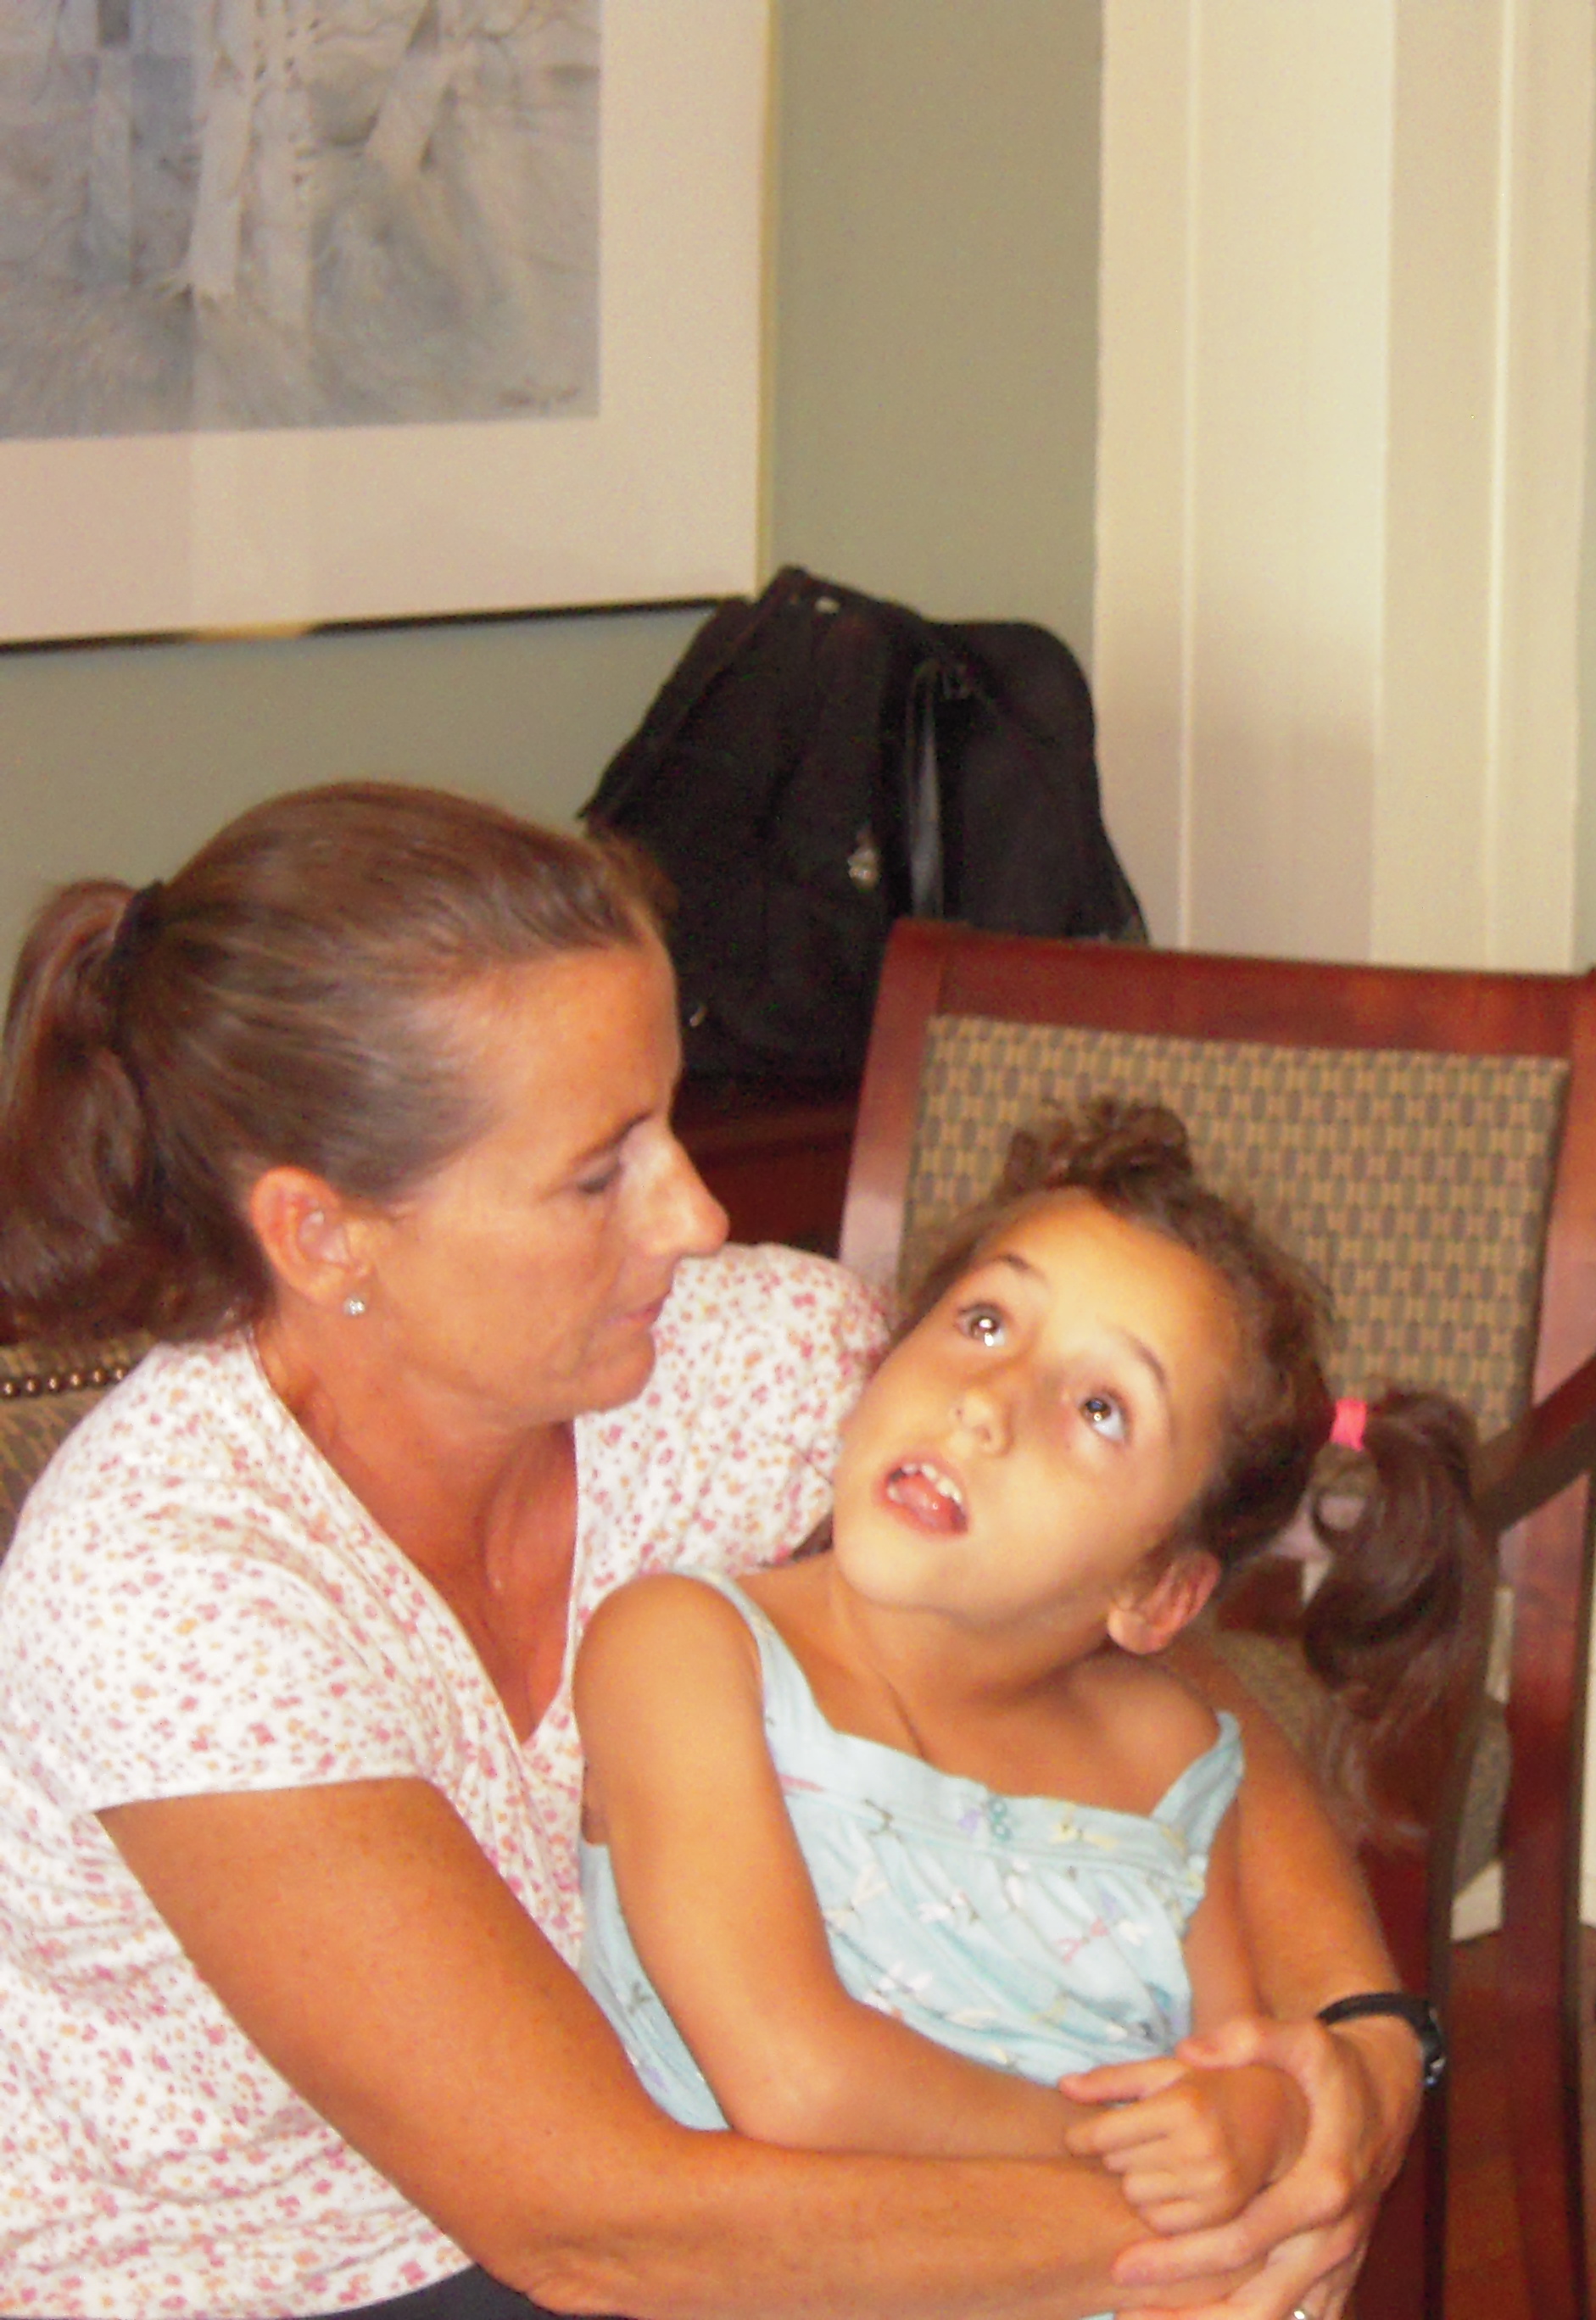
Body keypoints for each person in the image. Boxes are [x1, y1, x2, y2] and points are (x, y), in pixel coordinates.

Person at [0, 784, 1425, 2320]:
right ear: (325, 1234)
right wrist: (1218, 2224)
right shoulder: (173, 1587)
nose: (696, 1213)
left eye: (673, 1119)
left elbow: (1128, 1641)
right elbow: (588, 2225)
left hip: (699, 2187)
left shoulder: (749, 1360)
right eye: (599, 1171)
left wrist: (1361, 2053)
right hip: (321, 2277)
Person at [572, 1099, 1483, 2251]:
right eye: (987, 1320)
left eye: (1101, 1408)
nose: (990, 1404)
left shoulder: (1168, 1754)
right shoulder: (686, 1651)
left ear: (1159, 1596)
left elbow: (1234, 2055)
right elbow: (796, 2079)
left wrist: (1257, 2115)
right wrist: (1144, 2158)